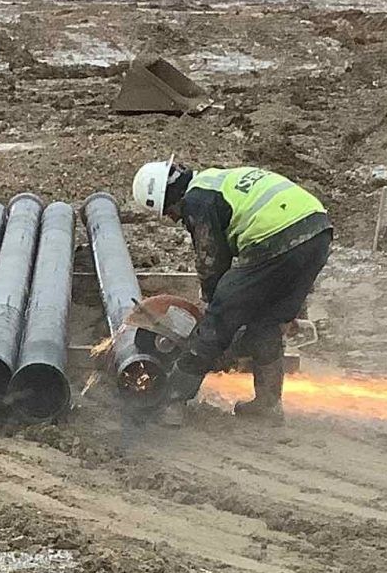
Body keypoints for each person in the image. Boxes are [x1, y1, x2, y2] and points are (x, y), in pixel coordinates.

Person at [128, 158, 332, 422]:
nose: (176, 219)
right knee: (267, 323)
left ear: (168, 200)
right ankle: (268, 406)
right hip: (317, 233)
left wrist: (213, 313)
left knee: (217, 322)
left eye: (170, 214)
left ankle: (172, 402)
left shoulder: (196, 200)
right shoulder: (216, 180)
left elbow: (212, 261)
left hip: (276, 237)